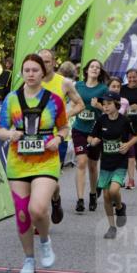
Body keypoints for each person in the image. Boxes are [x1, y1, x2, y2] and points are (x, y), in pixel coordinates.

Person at [0, 53, 68, 273]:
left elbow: (64, 128)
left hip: (46, 161)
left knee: (37, 209)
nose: (31, 74)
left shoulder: (54, 100)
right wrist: (9, 134)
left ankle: (45, 241)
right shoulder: (11, 99)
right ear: (22, 73)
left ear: (42, 72)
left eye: (35, 70)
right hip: (19, 163)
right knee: (22, 214)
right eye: (26, 70)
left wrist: (59, 138)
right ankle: (28, 259)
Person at [35, 48, 84, 223]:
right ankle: (40, 217)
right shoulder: (31, 81)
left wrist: (65, 116)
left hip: (58, 138)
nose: (43, 64)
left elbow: (80, 105)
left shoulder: (64, 83)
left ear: (54, 63)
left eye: (47, 61)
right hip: (35, 139)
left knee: (51, 181)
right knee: (36, 179)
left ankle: (55, 200)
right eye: (40, 60)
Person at [88, 91, 137, 239]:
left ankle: (120, 207)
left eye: (109, 104)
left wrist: (128, 145)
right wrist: (93, 141)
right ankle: (111, 227)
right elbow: (90, 136)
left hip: (120, 162)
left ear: (117, 105)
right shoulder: (101, 120)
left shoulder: (125, 121)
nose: (106, 107)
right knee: (105, 195)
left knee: (114, 190)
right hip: (106, 163)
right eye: (104, 104)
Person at [71, 59, 109, 213]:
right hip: (79, 129)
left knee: (93, 166)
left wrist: (98, 106)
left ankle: (93, 194)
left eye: (97, 68)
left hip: (96, 131)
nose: (94, 69)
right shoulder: (78, 86)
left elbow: (108, 109)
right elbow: (72, 104)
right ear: (86, 70)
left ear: (100, 72)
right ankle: (80, 199)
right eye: (92, 66)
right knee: (81, 162)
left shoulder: (103, 89)